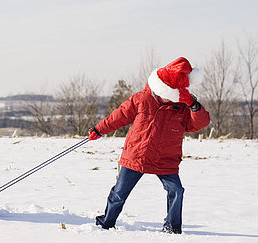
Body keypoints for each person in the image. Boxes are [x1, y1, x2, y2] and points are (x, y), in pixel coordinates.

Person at [88, 57, 210, 233]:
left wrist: (194, 105)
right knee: (119, 193)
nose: (167, 99)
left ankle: (172, 227)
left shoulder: (183, 107)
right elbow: (118, 116)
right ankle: (106, 222)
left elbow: (199, 124)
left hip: (166, 159)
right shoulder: (141, 99)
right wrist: (99, 130)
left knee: (177, 191)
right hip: (137, 156)